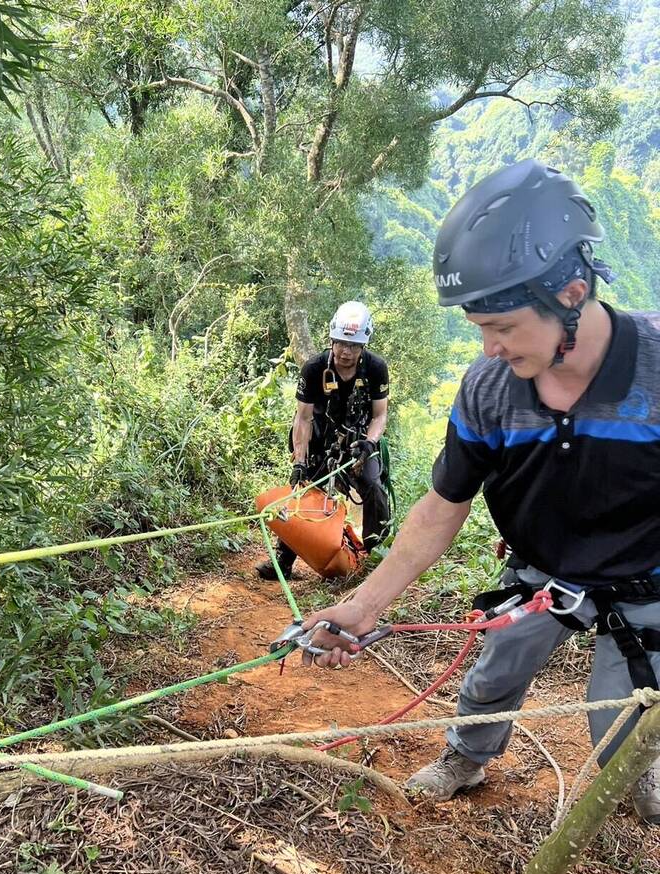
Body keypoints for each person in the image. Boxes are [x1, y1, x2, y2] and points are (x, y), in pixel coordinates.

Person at [301, 159, 660, 824]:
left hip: (644, 582)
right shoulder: (489, 390)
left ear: (573, 294)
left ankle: (638, 777)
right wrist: (365, 602)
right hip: (541, 571)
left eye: (504, 328)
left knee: (623, 736)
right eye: (479, 329)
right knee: (494, 677)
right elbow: (442, 506)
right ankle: (468, 757)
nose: (489, 349)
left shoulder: (656, 372)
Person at [256, 300, 392, 580]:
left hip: (358, 443)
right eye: (341, 343)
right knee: (302, 493)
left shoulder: (375, 368)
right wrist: (300, 460)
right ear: (332, 339)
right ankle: (284, 561)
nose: (346, 351)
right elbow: (302, 418)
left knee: (374, 489)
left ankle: (375, 557)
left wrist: (370, 442)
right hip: (319, 440)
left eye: (353, 346)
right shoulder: (315, 368)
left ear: (363, 345)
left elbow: (380, 415)